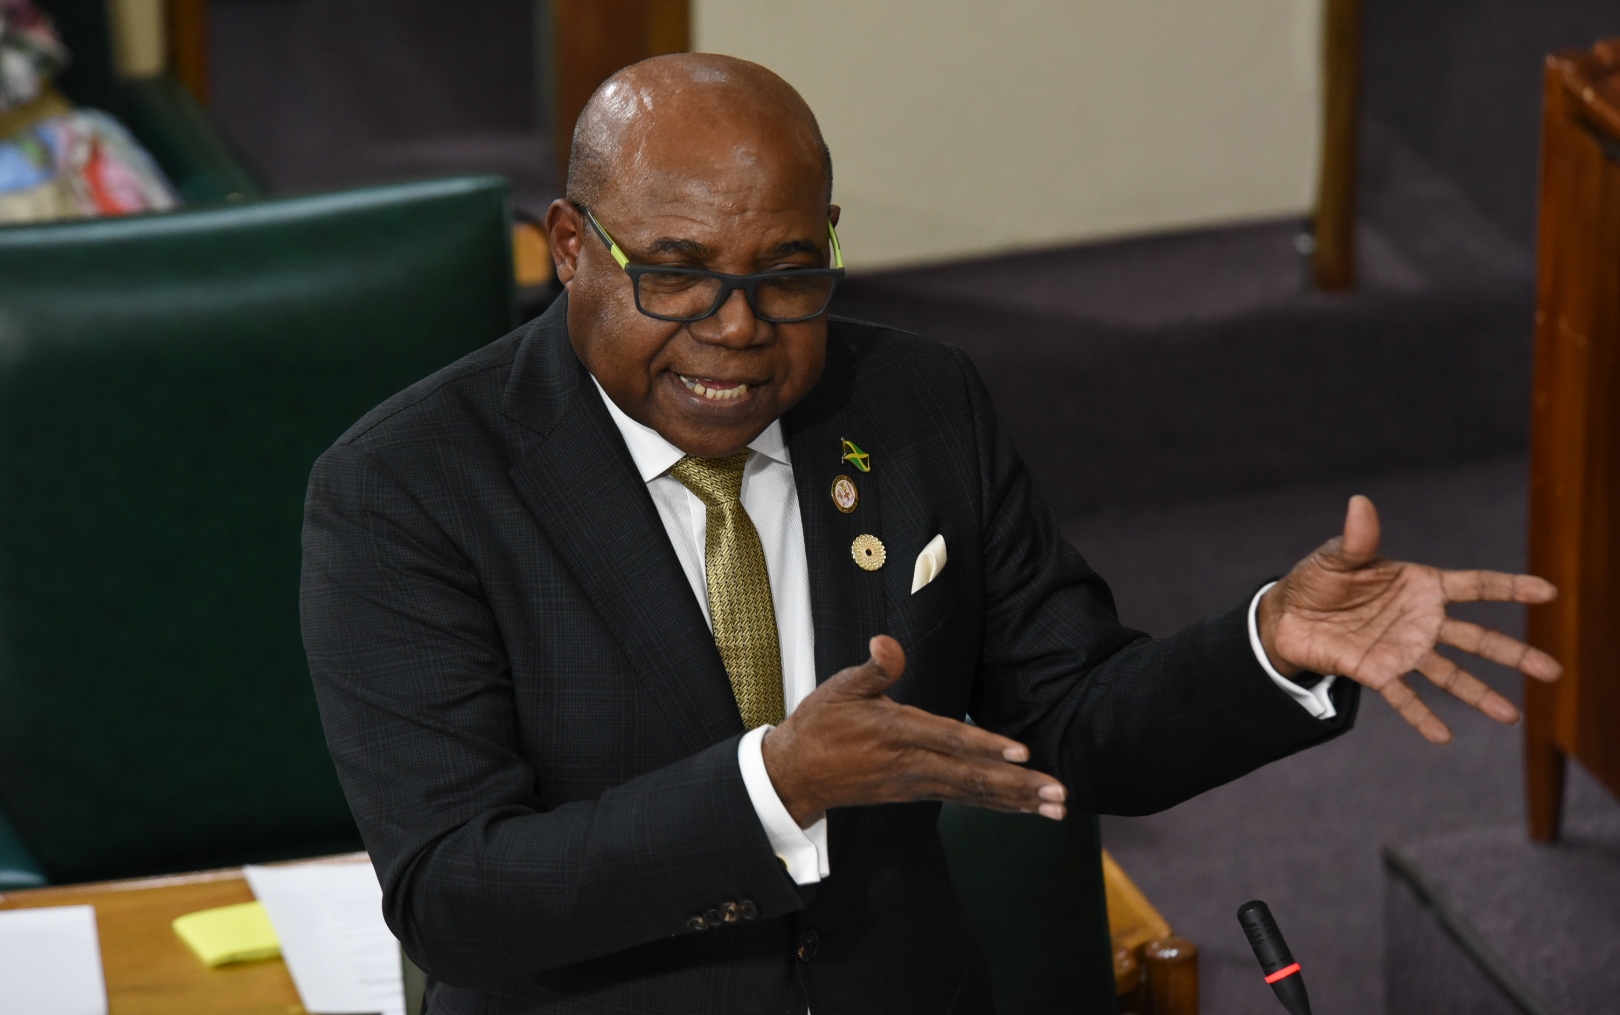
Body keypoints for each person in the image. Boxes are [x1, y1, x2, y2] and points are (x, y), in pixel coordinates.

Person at [299, 54, 1559, 1014]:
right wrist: (776, 785)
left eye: (789, 273)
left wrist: (1269, 649)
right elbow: (456, 895)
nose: (737, 328)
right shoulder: (407, 488)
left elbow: (1068, 722)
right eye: (676, 273)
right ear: (573, 248)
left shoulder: (911, 404)